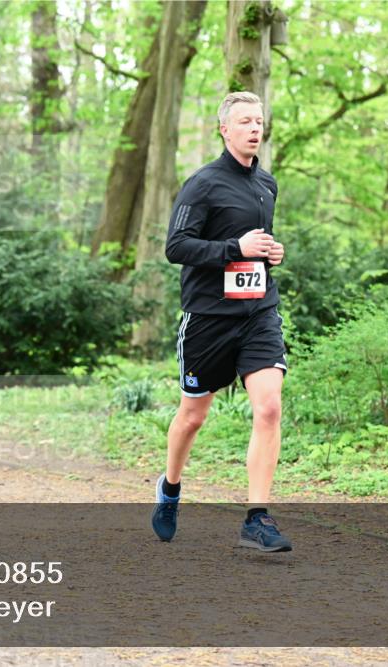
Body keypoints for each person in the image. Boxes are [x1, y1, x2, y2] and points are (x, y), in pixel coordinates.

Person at [152, 91, 291, 552]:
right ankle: (170, 487)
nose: (255, 128)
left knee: (269, 407)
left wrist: (270, 254)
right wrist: (236, 249)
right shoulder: (203, 184)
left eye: (259, 120)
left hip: (257, 313)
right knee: (193, 416)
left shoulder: (267, 184)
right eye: (245, 121)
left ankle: (257, 518)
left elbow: (256, 250)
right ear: (224, 129)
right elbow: (177, 247)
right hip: (209, 319)